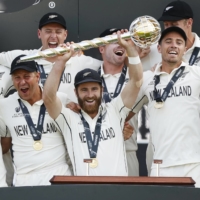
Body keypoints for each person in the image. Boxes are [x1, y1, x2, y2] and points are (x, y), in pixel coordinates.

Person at [43, 33, 143, 175]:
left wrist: (131, 49)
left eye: (94, 89)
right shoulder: (68, 118)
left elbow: (137, 81)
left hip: (118, 192)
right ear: (75, 92)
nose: (90, 95)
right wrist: (60, 62)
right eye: (84, 90)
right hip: (85, 194)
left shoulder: (115, 110)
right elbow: (48, 98)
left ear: (101, 90)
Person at [132, 26, 200, 187]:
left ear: (184, 49)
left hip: (194, 163)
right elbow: (123, 111)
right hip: (160, 165)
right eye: (168, 41)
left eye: (179, 42)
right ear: (159, 48)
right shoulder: (147, 78)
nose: (174, 45)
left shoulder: (197, 75)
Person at [144, 0, 200, 175]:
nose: (168, 28)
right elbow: (134, 88)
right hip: (160, 151)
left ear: (189, 23)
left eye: (174, 24)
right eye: (165, 25)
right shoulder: (153, 50)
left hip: (193, 154)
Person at [0, 55, 72, 186]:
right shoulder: (4, 106)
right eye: (17, 77)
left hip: (59, 177)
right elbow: (4, 145)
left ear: (37, 76)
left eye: (27, 76)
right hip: (24, 181)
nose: (22, 82)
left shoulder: (61, 99)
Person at [98, 28, 139, 176]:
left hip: (127, 152)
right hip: (97, 151)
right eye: (114, 41)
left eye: (124, 40)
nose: (120, 44)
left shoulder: (138, 77)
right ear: (101, 48)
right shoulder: (89, 79)